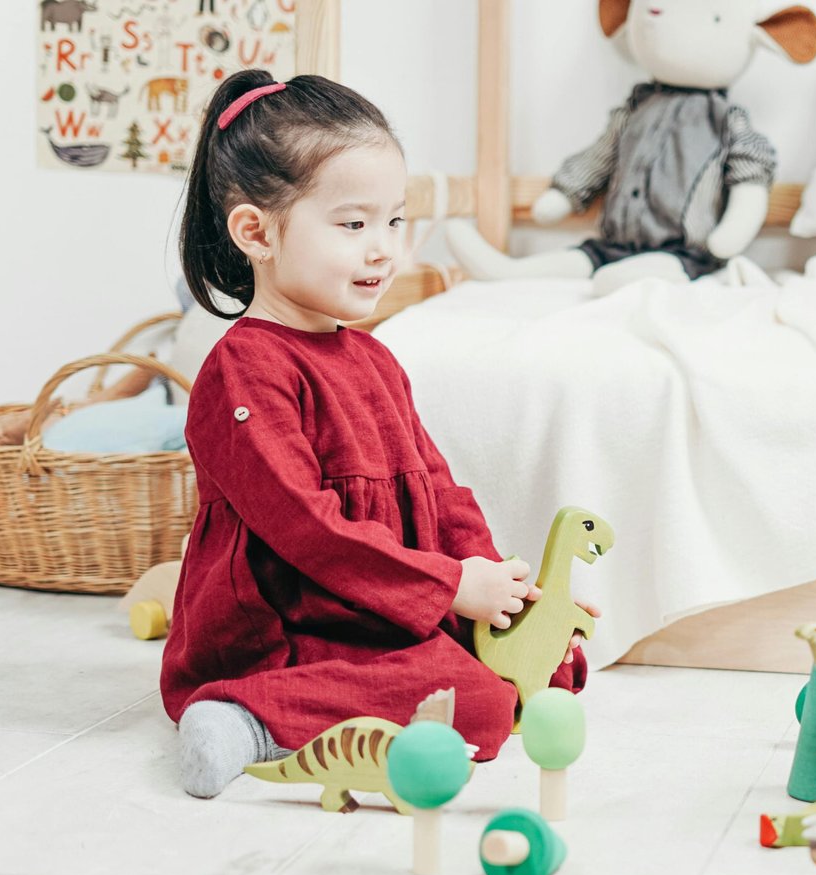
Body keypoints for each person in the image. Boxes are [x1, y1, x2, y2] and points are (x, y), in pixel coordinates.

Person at [162, 70, 593, 799]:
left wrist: (505, 589)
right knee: (480, 702)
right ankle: (244, 714)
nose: (383, 249)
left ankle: (445, 662)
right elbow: (307, 531)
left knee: (541, 661)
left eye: (395, 221)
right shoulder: (243, 370)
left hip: (381, 602)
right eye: (353, 225)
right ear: (256, 232)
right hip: (285, 625)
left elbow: (441, 492)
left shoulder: (376, 358)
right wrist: (453, 586)